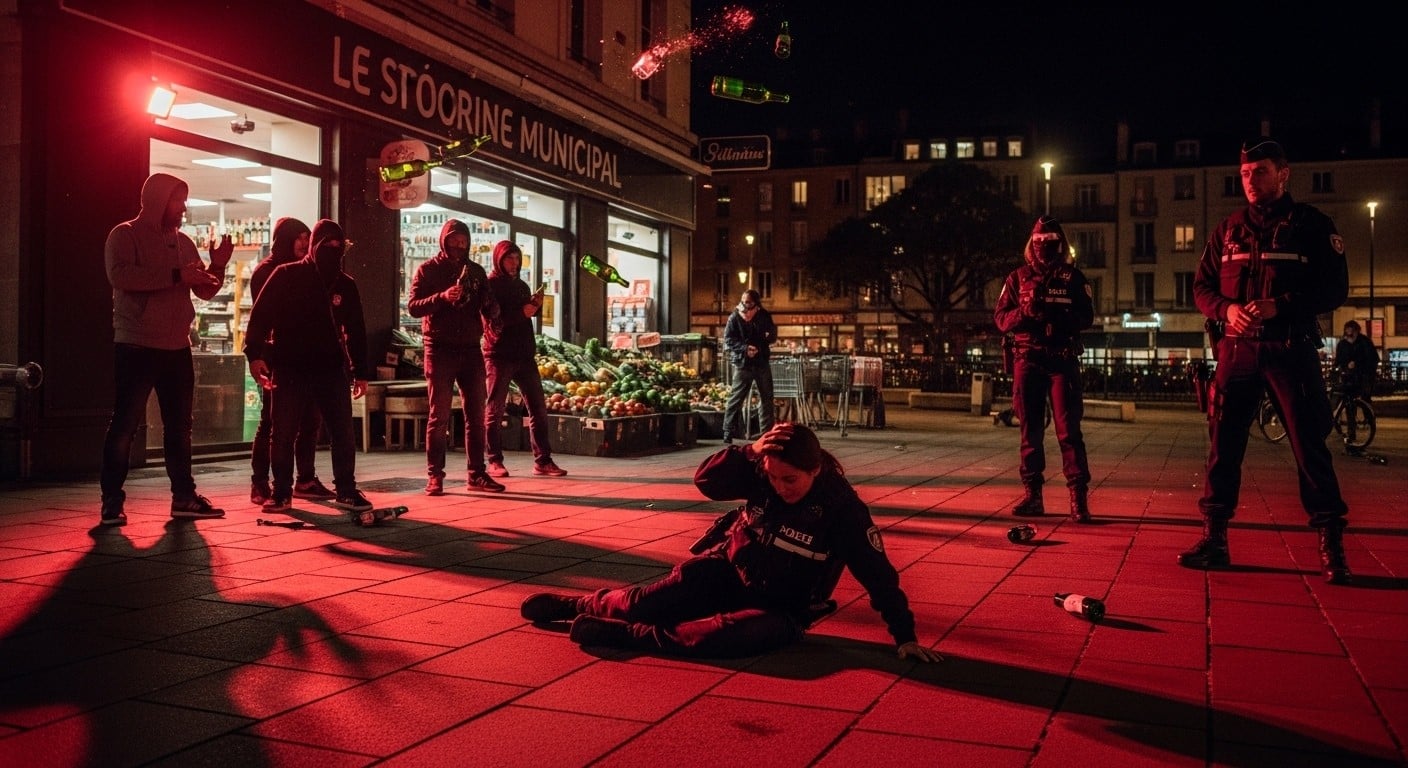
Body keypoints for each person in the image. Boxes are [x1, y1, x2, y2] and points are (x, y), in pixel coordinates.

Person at [519, 422, 942, 663]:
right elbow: (705, 480)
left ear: (815, 470)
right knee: (651, 597)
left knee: (719, 639)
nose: (779, 487)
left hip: (782, 609)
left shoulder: (842, 509)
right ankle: (578, 606)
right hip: (727, 573)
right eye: (773, 477)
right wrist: (748, 452)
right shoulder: (762, 473)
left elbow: (878, 575)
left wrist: (904, 636)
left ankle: (629, 637)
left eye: (790, 480)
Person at [1180, 138, 1353, 584]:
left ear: (1283, 173)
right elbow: (1201, 288)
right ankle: (1215, 538)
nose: (1251, 181)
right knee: (1223, 447)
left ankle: (1331, 543)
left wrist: (1284, 304)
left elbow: (1335, 290)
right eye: (1244, 174)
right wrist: (1226, 310)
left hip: (1289, 347)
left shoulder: (1312, 225)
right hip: (1236, 350)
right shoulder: (1228, 229)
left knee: (1309, 446)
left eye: (1259, 172)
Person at [99, 172, 231, 526]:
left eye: (184, 200)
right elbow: (121, 277)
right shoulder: (124, 234)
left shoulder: (184, 242)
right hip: (137, 343)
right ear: (158, 200)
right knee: (125, 424)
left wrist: (217, 263)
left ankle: (183, 497)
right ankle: (112, 500)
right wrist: (176, 277)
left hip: (177, 345)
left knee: (179, 426)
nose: (183, 207)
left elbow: (203, 289)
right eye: (178, 200)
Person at [244, 219, 374, 513]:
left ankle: (346, 489)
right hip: (290, 366)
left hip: (329, 368)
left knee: (341, 430)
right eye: (326, 245)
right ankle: (281, 491)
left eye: (337, 247)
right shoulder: (286, 274)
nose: (332, 251)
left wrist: (361, 371)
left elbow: (356, 329)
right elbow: (260, 316)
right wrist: (255, 355)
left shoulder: (345, 284)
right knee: (283, 430)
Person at [992, 215, 1096, 523]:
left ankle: (1078, 498)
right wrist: (1025, 312)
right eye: (1038, 242)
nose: (1043, 248)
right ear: (1030, 244)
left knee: (1069, 431)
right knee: (1030, 432)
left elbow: (1087, 317)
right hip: (1027, 359)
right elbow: (1001, 319)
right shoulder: (1017, 278)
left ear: (1060, 244)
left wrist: (1058, 317)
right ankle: (1033, 496)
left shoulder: (1074, 278)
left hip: (1062, 359)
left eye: (1049, 242)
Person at [407, 219, 503, 495]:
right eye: (454, 240)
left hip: (471, 347)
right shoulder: (428, 270)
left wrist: (491, 308)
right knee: (439, 415)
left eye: (463, 241)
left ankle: (477, 474)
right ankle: (435, 475)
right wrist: (442, 297)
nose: (459, 246)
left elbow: (488, 304)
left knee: (476, 414)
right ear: (444, 241)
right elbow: (413, 307)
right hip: (439, 348)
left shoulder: (475, 271)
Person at [247, 217, 334, 505]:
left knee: (310, 419)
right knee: (272, 420)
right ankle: (261, 482)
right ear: (283, 239)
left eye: (307, 237)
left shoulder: (309, 270)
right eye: (298, 237)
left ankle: (305, 479)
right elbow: (263, 317)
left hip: (304, 355)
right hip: (277, 355)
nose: (304, 243)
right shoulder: (268, 271)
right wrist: (256, 353)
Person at [482, 240, 566, 478]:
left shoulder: (521, 285)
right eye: (510, 258)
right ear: (499, 259)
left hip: (524, 354)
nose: (515, 263)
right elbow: (492, 323)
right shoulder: (490, 286)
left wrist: (534, 307)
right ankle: (494, 460)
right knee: (495, 409)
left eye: (517, 258)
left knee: (538, 408)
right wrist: (521, 313)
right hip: (498, 355)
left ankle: (543, 460)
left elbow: (523, 316)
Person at [721, 288, 777, 445]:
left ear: (756, 304)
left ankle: (766, 433)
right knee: (736, 397)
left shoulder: (764, 316)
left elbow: (772, 334)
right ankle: (727, 431)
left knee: (766, 398)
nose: (745, 305)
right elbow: (729, 339)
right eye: (743, 301)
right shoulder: (735, 317)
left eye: (748, 302)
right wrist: (745, 349)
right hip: (743, 363)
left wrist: (767, 338)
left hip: (761, 362)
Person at [1334, 319, 1379, 454]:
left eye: (1352, 331)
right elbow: (1339, 360)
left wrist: (1358, 366)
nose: (1350, 334)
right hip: (1348, 378)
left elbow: (1372, 359)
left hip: (1362, 377)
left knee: (1363, 401)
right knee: (1349, 405)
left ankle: (1368, 420)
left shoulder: (1364, 342)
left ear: (1357, 331)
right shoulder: (1343, 344)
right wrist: (1344, 366)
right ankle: (1350, 432)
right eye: (1348, 331)